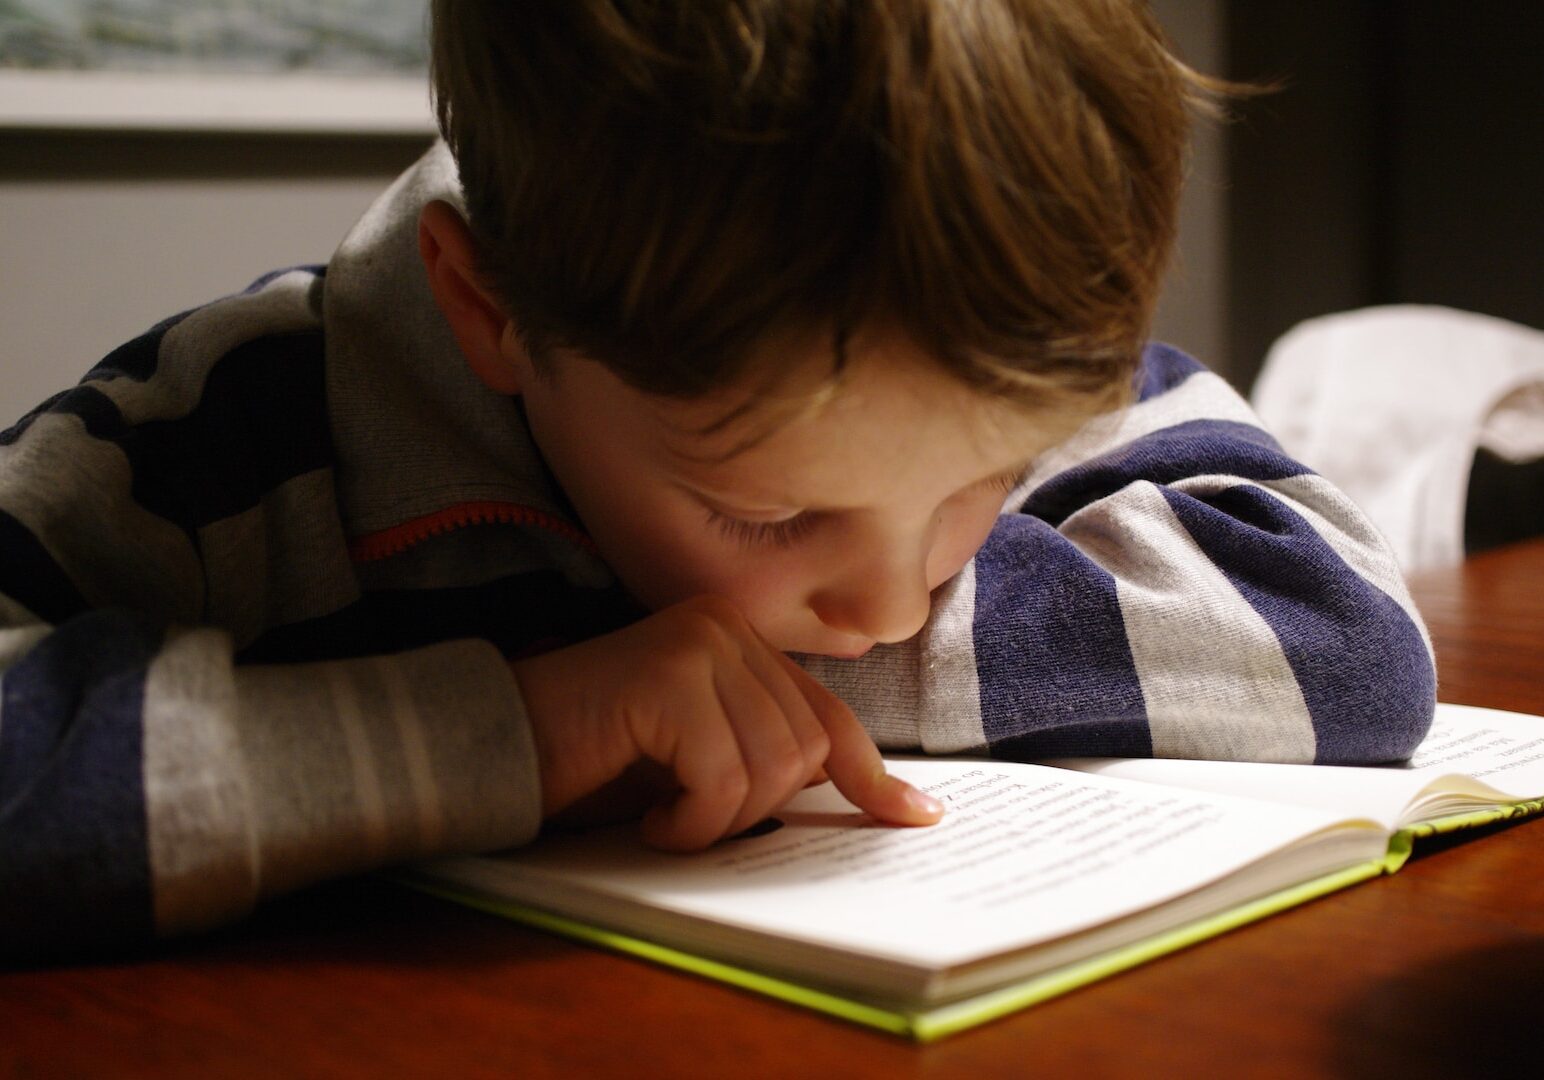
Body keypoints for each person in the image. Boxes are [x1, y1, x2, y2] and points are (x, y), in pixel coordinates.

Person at [0, 0, 1435, 958]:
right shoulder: (206, 441)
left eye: (986, 481)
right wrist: (517, 725)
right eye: (767, 510)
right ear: (489, 309)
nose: (889, 603)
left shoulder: (967, 328)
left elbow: (1347, 633)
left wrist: (762, 693)